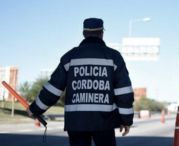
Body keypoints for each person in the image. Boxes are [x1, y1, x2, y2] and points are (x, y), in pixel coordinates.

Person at [28, 18, 134, 146]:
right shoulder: (114, 57)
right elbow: (124, 93)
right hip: (104, 122)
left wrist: (35, 109)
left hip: (76, 122)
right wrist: (126, 120)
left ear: (84, 34)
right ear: (102, 33)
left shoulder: (70, 57)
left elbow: (53, 89)